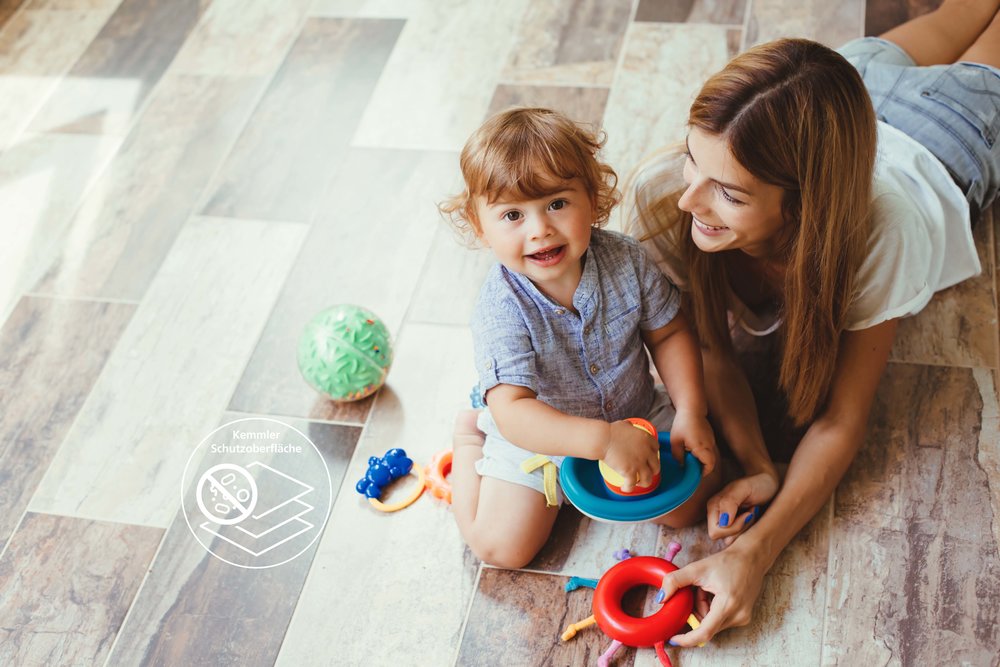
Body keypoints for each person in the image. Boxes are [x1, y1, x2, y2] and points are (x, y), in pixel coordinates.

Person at [625, 0, 1000, 647]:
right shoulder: (667, 195)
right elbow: (711, 348)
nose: (690, 200)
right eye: (694, 159)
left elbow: (841, 420)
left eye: (729, 193)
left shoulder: (883, 236)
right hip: (850, 85)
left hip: (945, 133)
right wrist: (758, 462)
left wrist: (757, 552)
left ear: (803, 209)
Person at [439, 107, 720, 569]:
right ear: (478, 225)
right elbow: (514, 411)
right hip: (535, 438)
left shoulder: (626, 260)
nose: (540, 229)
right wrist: (602, 442)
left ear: (592, 197)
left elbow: (670, 333)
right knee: (502, 549)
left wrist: (691, 410)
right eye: (512, 214)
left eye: (556, 204)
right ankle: (470, 436)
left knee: (692, 501)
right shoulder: (500, 307)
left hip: (635, 413)